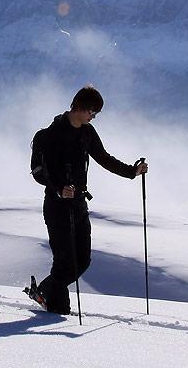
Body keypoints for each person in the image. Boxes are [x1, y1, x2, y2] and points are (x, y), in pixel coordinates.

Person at [26, 85, 147, 314]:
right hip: (57, 206)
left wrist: (132, 171)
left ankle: (43, 292)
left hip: (79, 204)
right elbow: (39, 172)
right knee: (64, 261)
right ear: (80, 107)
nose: (93, 117)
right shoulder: (50, 135)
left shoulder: (86, 133)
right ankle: (57, 311)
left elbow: (104, 158)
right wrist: (59, 189)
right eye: (92, 112)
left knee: (82, 260)